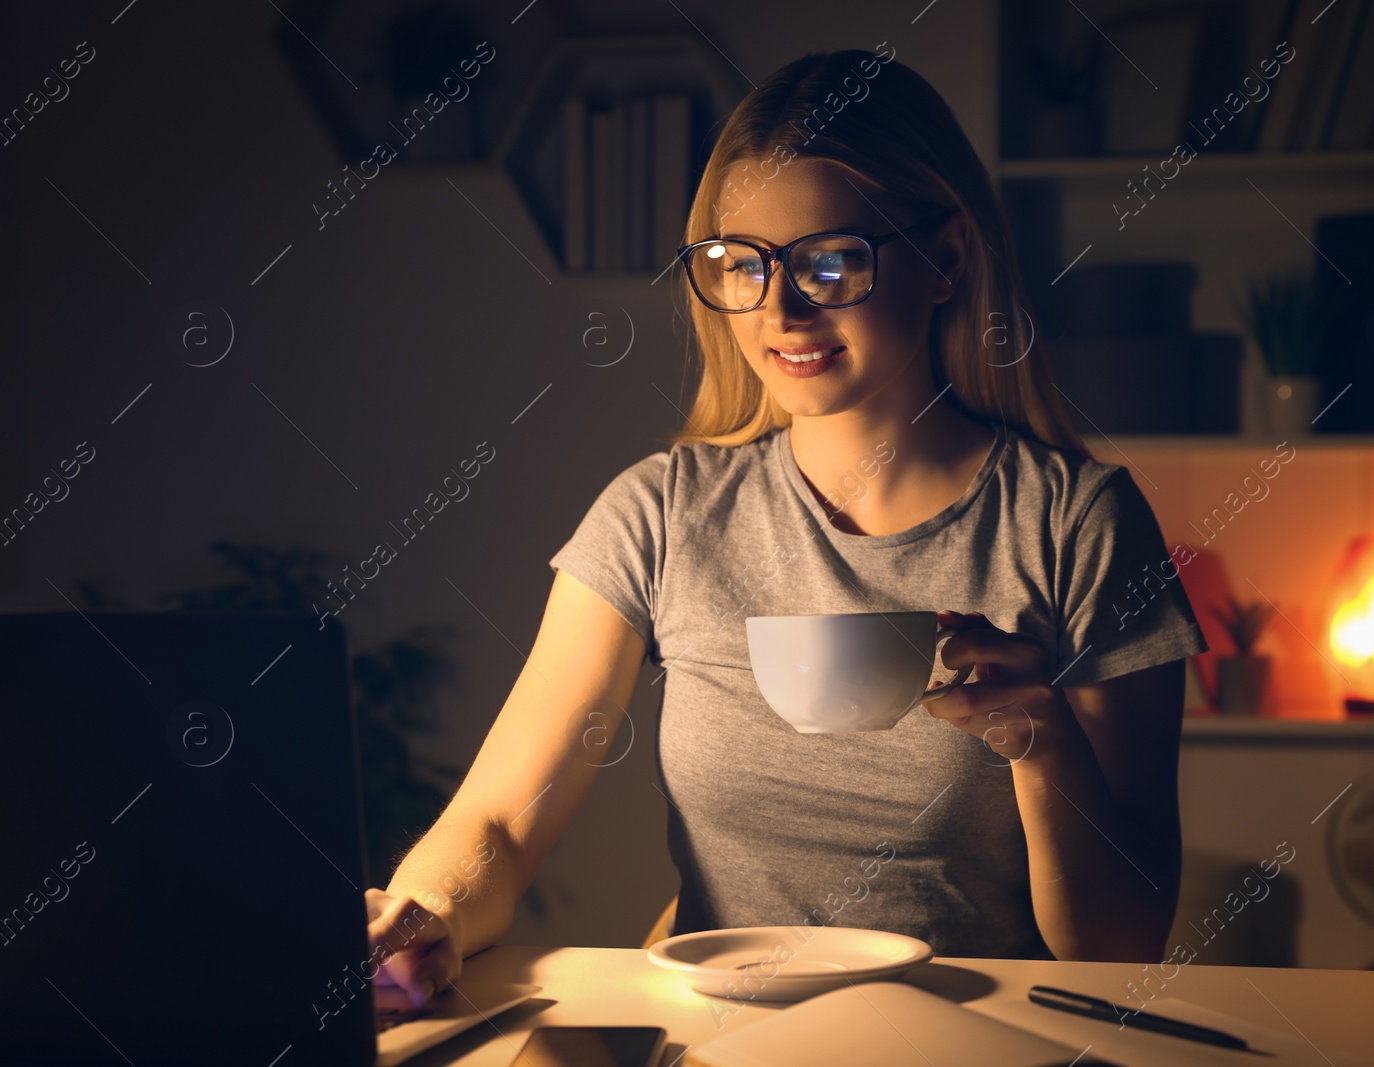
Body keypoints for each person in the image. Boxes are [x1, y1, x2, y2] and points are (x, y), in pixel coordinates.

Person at [364, 47, 1206, 1007]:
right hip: (722, 1036)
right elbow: (501, 826)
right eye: (740, 264)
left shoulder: (1079, 526)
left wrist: (1044, 743)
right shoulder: (662, 513)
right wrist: (419, 911)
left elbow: (1123, 944)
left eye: (833, 261)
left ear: (946, 260)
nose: (780, 308)